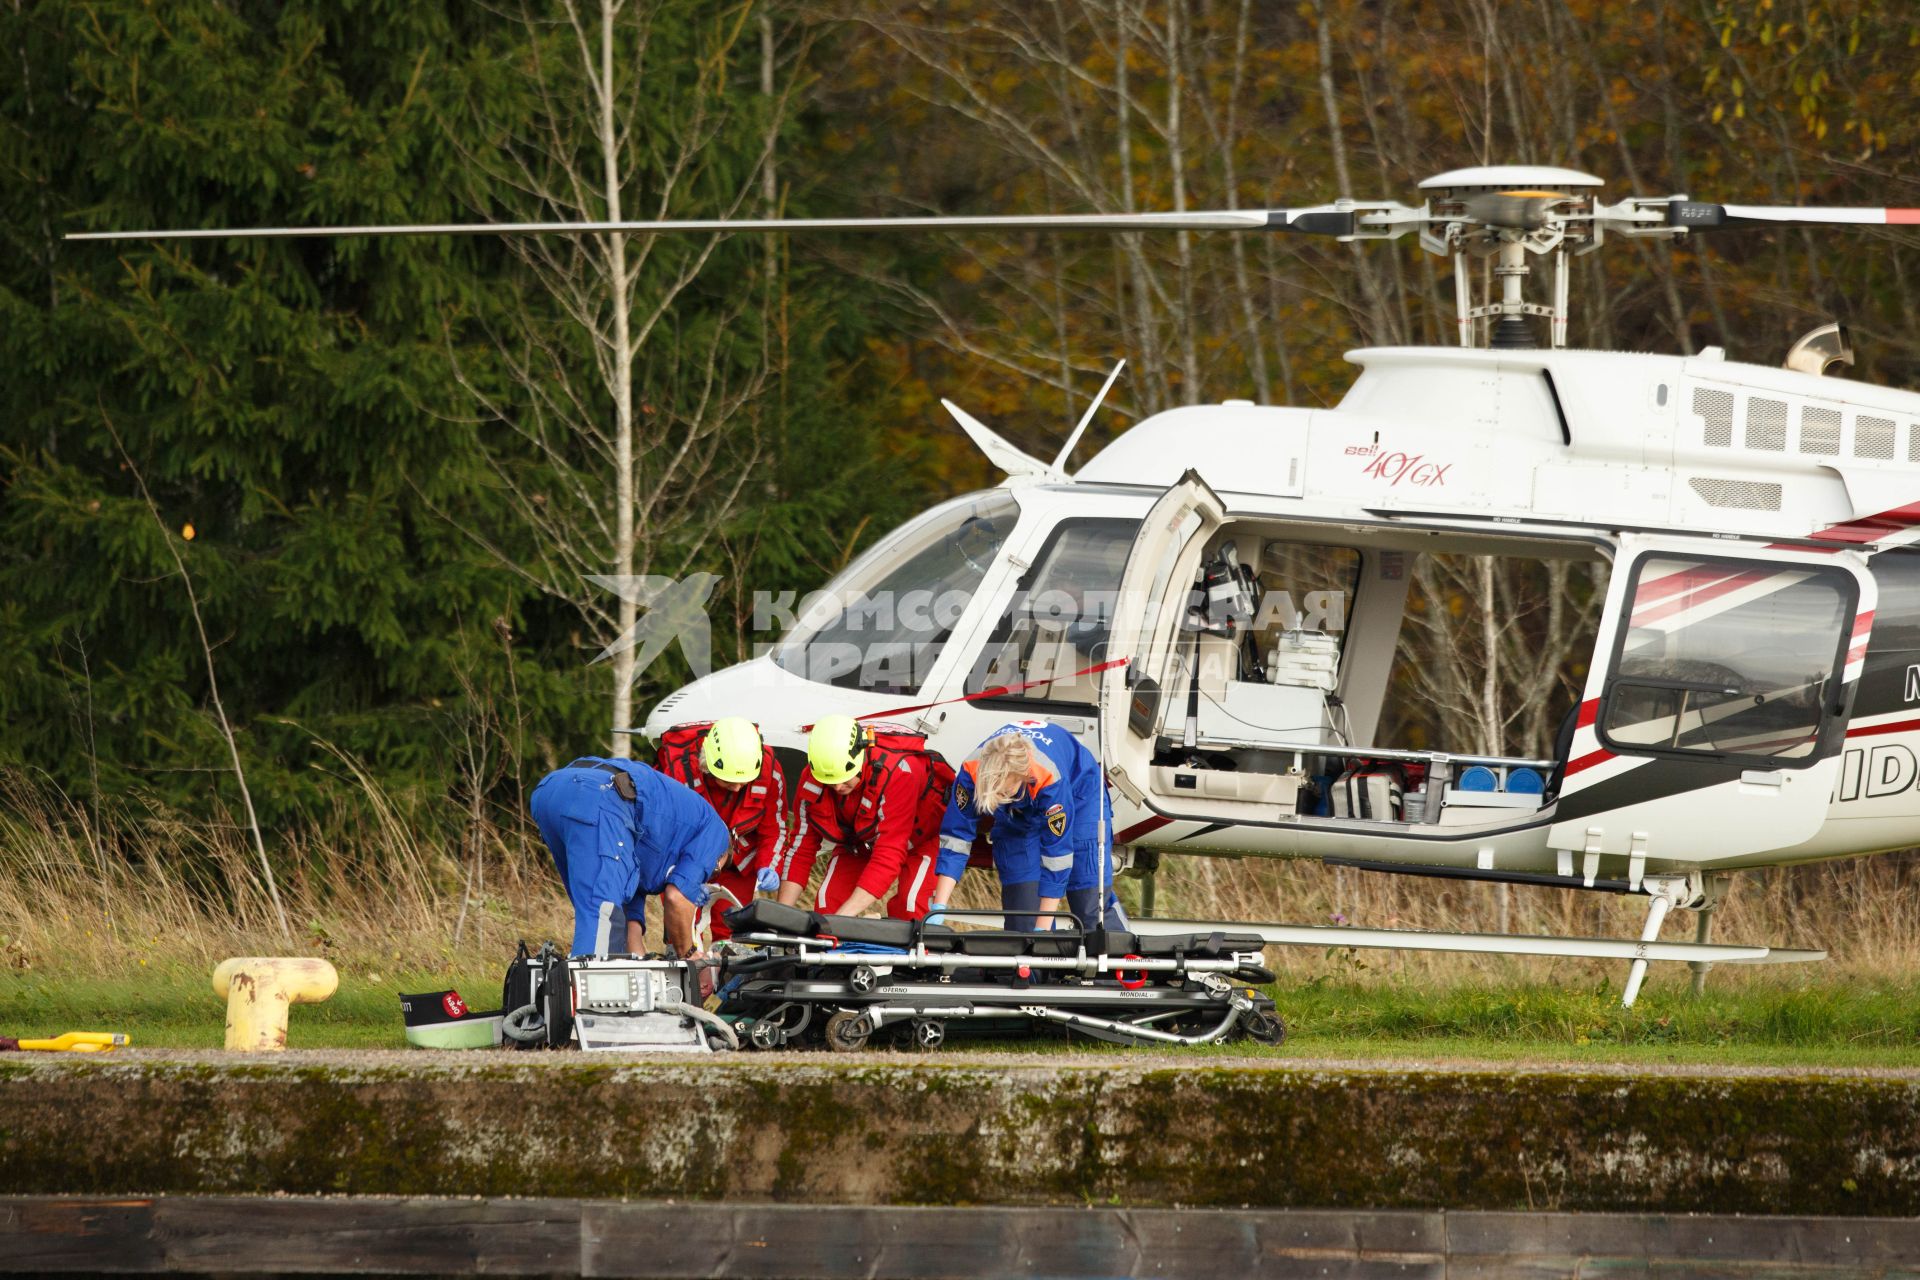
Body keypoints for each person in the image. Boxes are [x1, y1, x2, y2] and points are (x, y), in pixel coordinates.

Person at [929, 719, 1128, 931]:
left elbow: (1057, 857)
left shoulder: (1049, 779)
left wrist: (1041, 934)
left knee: (1089, 905)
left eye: (1003, 792)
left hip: (1080, 796)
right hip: (1015, 813)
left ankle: (1121, 961)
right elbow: (955, 838)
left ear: (1023, 777)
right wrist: (938, 907)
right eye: (993, 795)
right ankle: (1034, 963)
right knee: (1024, 915)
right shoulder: (971, 772)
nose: (997, 799)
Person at [529, 753, 729, 957]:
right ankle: (594, 986)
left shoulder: (648, 850)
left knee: (605, 918)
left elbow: (627, 923)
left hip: (551, 792)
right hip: (601, 797)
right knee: (603, 917)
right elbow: (677, 898)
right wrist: (690, 955)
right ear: (721, 858)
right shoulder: (718, 835)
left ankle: (566, 985)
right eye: (712, 871)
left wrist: (642, 965)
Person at [775, 715, 952, 919]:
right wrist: (781, 915)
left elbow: (889, 852)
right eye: (830, 782)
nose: (838, 787)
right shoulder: (816, 775)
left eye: (844, 779)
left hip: (919, 839)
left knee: (912, 907)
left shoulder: (900, 772)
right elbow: (802, 846)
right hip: (860, 841)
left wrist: (840, 921)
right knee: (827, 904)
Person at [653, 717, 786, 941]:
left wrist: (769, 865)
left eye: (743, 781)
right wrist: (684, 879)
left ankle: (730, 975)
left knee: (733, 933)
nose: (736, 788)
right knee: (682, 928)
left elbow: (774, 829)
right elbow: (663, 839)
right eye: (727, 781)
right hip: (688, 856)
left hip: (739, 861)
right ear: (707, 767)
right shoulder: (677, 775)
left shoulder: (770, 771)